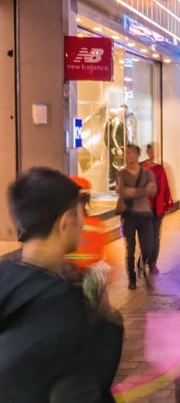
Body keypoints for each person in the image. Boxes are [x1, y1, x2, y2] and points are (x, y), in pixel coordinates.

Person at [0, 168, 124, 401]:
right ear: (66, 222)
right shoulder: (69, 314)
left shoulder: (6, 275)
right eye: (79, 212)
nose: (83, 222)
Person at [116, 144, 157, 290]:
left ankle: (142, 263)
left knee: (148, 247)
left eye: (132, 153)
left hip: (145, 214)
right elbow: (122, 192)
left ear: (138, 155)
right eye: (127, 153)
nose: (129, 156)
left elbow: (153, 191)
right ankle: (132, 279)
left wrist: (133, 191)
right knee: (130, 248)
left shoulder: (147, 173)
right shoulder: (121, 174)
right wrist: (143, 190)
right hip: (129, 215)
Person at [142, 143, 175, 275]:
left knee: (155, 236)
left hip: (156, 208)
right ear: (147, 151)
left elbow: (164, 187)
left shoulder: (160, 169)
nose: (152, 153)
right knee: (145, 236)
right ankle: (145, 258)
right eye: (150, 151)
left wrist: (166, 203)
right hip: (143, 208)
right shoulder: (141, 168)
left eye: (154, 151)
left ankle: (152, 262)